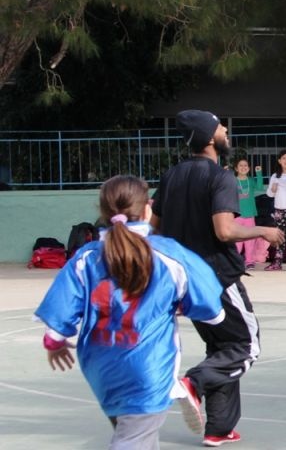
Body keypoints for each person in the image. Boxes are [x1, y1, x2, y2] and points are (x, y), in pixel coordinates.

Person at [35, 175, 225, 450]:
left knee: (138, 435)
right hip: (147, 367)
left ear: (102, 211)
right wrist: (181, 304)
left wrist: (53, 342)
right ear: (147, 208)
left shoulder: (86, 257)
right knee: (133, 439)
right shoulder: (169, 255)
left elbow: (61, 309)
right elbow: (211, 308)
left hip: (100, 365)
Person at [150, 109, 285, 447]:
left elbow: (153, 228)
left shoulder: (170, 176)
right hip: (216, 277)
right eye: (222, 128)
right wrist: (263, 230)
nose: (226, 132)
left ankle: (219, 427)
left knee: (221, 346)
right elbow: (224, 230)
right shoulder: (219, 176)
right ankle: (193, 383)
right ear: (211, 138)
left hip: (183, 282)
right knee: (245, 345)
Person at [233, 158, 269, 270]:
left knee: (250, 240)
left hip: (249, 215)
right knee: (236, 240)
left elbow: (260, 187)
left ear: (248, 168)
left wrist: (258, 173)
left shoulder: (250, 180)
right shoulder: (233, 181)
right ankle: (235, 261)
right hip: (237, 215)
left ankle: (249, 261)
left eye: (245, 165)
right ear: (236, 168)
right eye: (240, 165)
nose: (243, 167)